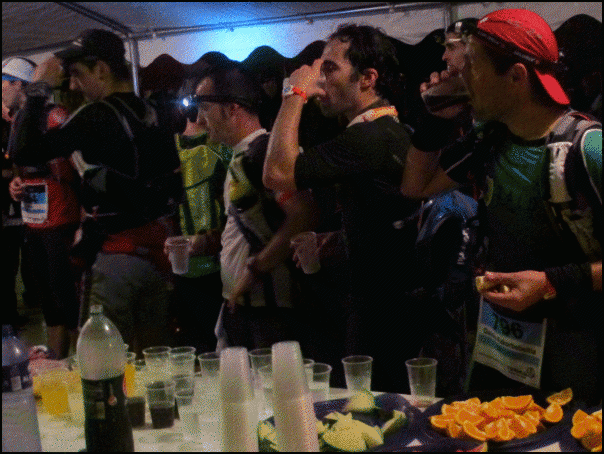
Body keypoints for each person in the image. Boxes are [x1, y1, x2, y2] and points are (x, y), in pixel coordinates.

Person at [401, 9, 602, 404]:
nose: (460, 74)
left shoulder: (587, 147)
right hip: (504, 348)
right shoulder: (490, 140)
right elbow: (415, 186)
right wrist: (436, 120)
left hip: (579, 354)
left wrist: (552, 282)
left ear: (516, 77)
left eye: (473, 65)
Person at [263, 24, 424, 393]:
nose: (320, 79)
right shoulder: (387, 131)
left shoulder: (370, 136)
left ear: (367, 78)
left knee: (371, 411)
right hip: (392, 305)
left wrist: (294, 93)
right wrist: (340, 238)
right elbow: (390, 215)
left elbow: (277, 172)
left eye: (330, 68)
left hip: (381, 313)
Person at [8, 29, 183, 356]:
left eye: (77, 74)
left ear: (101, 70)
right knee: (155, 358)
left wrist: (38, 90)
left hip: (116, 256)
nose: (73, 85)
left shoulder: (98, 115)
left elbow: (24, 151)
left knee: (103, 361)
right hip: (160, 257)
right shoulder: (153, 112)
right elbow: (173, 183)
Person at [195, 60, 318, 351]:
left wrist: (255, 269)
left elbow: (303, 213)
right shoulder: (245, 156)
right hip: (247, 307)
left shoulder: (262, 154)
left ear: (232, 109)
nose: (199, 120)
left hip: (268, 313)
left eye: (205, 108)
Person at [5, 57, 82, 358]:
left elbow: (79, 166)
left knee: (68, 299)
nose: (0, 90)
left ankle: (86, 364)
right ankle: (56, 363)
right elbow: (23, 167)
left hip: (61, 219)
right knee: (48, 301)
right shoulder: (18, 121)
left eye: (4, 82)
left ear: (20, 85)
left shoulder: (53, 115)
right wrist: (17, 183)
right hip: (34, 220)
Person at [168, 72, 232, 353]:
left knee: (216, 346)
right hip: (182, 263)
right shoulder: (170, 148)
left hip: (220, 261)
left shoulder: (222, 146)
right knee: (199, 347)